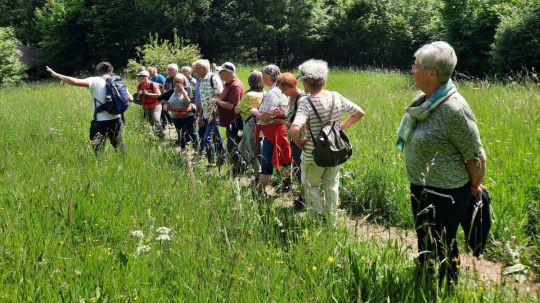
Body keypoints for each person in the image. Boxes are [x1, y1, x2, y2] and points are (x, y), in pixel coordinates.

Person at [396, 41, 487, 285]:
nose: (412, 70)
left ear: (432, 73)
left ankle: (448, 284)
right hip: (421, 186)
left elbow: (477, 158)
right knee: (425, 237)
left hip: (446, 193)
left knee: (444, 242)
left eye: (415, 66)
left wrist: (474, 187)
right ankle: (424, 275)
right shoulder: (425, 100)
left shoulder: (454, 109)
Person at [290, 59, 364, 222]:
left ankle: (316, 220)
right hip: (335, 151)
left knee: (311, 187)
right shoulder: (336, 96)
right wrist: (339, 128)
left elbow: (294, 128)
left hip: (312, 155)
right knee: (331, 187)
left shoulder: (306, 101)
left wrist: (299, 143)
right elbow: (359, 113)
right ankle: (332, 221)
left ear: (308, 82)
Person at [45, 62, 133, 154]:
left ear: (99, 71)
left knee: (98, 151)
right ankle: (124, 163)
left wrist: (57, 75)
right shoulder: (118, 81)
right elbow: (130, 99)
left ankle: (99, 166)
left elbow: (75, 81)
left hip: (100, 121)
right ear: (111, 71)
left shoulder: (94, 80)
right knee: (119, 148)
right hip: (117, 119)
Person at [250, 64, 291, 192]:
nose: (262, 78)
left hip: (271, 132)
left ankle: (259, 191)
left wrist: (254, 111)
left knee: (267, 161)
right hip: (280, 130)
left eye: (263, 76)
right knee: (285, 159)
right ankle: (288, 186)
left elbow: (266, 117)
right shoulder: (281, 90)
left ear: (269, 77)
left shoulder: (272, 93)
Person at [275, 72, 307, 208]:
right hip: (294, 140)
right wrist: (281, 115)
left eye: (284, 90)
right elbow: (291, 118)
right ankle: (303, 196)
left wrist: (281, 121)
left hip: (302, 142)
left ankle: (304, 199)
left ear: (292, 86)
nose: (283, 93)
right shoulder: (293, 98)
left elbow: (298, 125)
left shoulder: (302, 100)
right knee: (299, 170)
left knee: (303, 171)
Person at [192, 59, 224, 165]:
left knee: (207, 138)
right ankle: (223, 157)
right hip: (205, 114)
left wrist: (213, 114)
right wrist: (200, 116)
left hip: (214, 115)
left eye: (197, 69)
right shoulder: (201, 80)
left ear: (204, 68)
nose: (195, 71)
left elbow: (220, 96)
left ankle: (211, 162)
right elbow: (203, 100)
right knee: (217, 137)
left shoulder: (213, 78)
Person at [216, 62, 244, 175]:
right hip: (228, 121)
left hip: (234, 121)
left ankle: (238, 170)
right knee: (231, 145)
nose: (219, 74)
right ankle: (236, 168)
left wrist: (217, 102)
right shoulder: (227, 84)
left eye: (221, 72)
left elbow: (231, 105)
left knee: (234, 145)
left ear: (228, 73)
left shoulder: (235, 85)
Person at [236, 70, 265, 175]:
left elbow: (237, 110)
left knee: (252, 150)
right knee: (251, 147)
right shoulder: (265, 93)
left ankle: (258, 173)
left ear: (250, 81)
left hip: (249, 125)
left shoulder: (249, 95)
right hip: (261, 124)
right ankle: (248, 169)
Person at [167, 74, 198, 150]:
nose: (178, 84)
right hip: (175, 115)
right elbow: (166, 99)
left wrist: (183, 91)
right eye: (176, 81)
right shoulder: (173, 90)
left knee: (191, 132)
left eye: (180, 82)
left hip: (187, 115)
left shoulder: (188, 89)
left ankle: (197, 148)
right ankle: (182, 148)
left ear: (184, 82)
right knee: (180, 132)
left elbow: (188, 102)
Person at [136, 70, 163, 138]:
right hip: (145, 106)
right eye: (140, 76)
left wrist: (148, 94)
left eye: (143, 76)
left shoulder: (152, 84)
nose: (141, 78)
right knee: (150, 122)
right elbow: (138, 98)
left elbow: (159, 95)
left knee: (156, 119)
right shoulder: (139, 86)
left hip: (155, 105)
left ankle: (161, 136)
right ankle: (154, 136)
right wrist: (139, 94)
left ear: (147, 77)